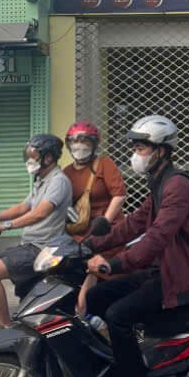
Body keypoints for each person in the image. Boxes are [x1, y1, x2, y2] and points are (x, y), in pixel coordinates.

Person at [84, 114, 189, 377]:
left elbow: (157, 237)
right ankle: (130, 360)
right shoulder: (160, 184)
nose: (135, 155)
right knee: (95, 298)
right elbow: (134, 223)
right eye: (135, 149)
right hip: (161, 270)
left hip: (177, 277)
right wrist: (91, 244)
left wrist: (115, 263)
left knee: (117, 316)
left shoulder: (177, 186)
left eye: (140, 149)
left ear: (161, 151)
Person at [0, 134, 72, 328]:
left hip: (43, 248)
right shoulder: (41, 180)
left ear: (48, 158)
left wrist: (5, 226)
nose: (29, 160)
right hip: (29, 245)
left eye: (33, 156)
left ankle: (6, 327)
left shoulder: (58, 181)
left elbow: (40, 213)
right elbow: (22, 207)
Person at [61, 121, 127, 318]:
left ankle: (84, 316)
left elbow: (119, 195)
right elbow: (66, 206)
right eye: (75, 142)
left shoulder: (104, 164)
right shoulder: (66, 173)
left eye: (85, 142)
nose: (79, 146)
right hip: (81, 235)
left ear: (94, 144)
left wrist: (105, 221)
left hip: (107, 232)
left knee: (91, 276)